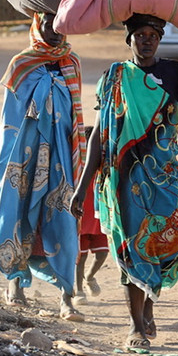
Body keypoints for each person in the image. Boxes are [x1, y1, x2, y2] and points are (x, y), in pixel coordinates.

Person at [70, 13, 178, 351]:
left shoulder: (176, 74)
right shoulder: (114, 77)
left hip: (164, 179)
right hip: (122, 182)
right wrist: (82, 185)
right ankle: (135, 327)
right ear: (128, 39)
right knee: (131, 250)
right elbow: (100, 137)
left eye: (153, 35)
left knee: (165, 246)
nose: (147, 40)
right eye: (140, 35)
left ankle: (148, 303)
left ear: (160, 40)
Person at [0, 12, 87, 322]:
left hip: (61, 158)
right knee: (17, 214)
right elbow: (9, 121)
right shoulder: (21, 65)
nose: (55, 31)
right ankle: (15, 285)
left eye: (61, 25)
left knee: (64, 221)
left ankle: (67, 297)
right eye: (48, 23)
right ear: (36, 23)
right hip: (23, 158)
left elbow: (75, 117)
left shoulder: (72, 64)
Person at [72, 126, 109, 306]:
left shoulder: (104, 170)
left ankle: (90, 276)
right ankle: (78, 290)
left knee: (102, 255)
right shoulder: (78, 170)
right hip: (82, 220)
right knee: (81, 257)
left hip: (99, 219)